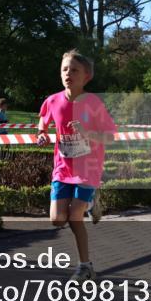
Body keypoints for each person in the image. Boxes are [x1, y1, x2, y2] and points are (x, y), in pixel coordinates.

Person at [37, 50, 117, 282]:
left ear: (86, 77)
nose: (68, 74)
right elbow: (44, 118)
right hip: (63, 167)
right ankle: (92, 202)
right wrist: (42, 133)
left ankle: (85, 266)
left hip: (87, 167)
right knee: (57, 219)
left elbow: (110, 137)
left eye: (74, 70)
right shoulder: (53, 100)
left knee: (74, 216)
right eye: (64, 69)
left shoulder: (93, 103)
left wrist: (87, 133)